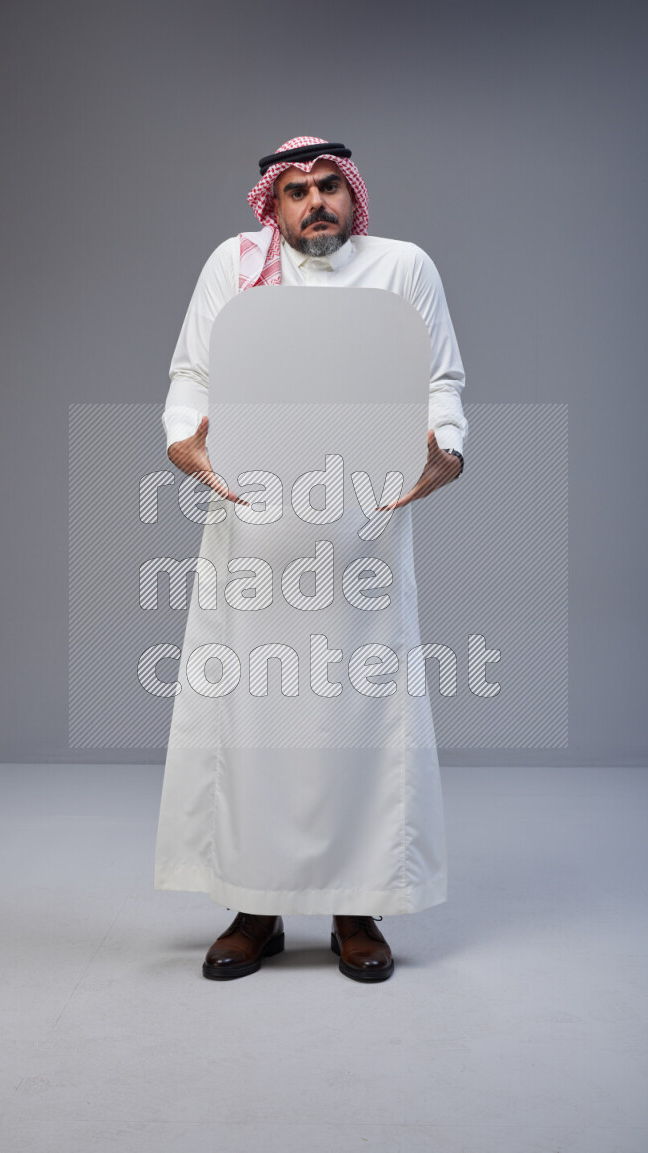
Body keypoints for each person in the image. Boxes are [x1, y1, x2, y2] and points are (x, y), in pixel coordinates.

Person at [154, 136, 467, 982]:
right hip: (255, 533)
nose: (313, 203)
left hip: (362, 532)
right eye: (294, 191)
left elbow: (442, 382)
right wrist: (187, 447)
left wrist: (446, 453)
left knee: (360, 716)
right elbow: (192, 373)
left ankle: (356, 908)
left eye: (328, 186)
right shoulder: (234, 266)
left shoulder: (403, 270)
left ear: (352, 195)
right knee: (252, 717)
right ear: (273, 202)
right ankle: (253, 907)